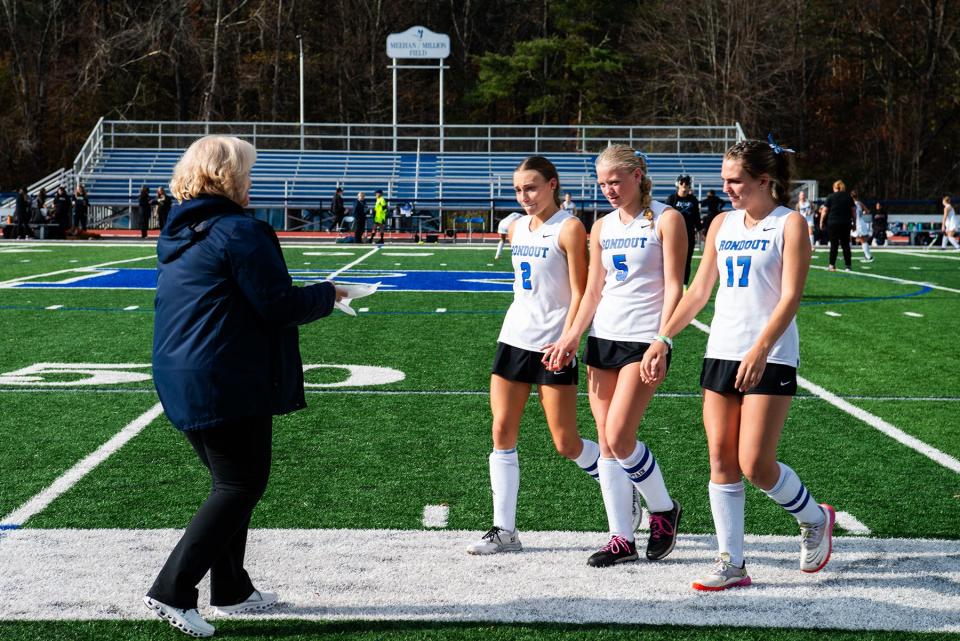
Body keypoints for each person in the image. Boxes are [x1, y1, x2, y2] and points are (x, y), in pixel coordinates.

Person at [144, 135, 345, 638]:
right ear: (227, 176)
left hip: (185, 370)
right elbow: (276, 306)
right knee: (240, 485)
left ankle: (231, 588)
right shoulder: (239, 230)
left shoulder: (184, 229)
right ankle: (172, 588)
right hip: (224, 373)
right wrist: (328, 294)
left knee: (233, 484)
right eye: (247, 172)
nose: (252, 181)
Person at [641, 137, 835, 591]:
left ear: (764, 181)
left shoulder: (791, 225)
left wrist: (761, 347)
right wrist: (663, 337)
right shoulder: (723, 223)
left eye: (736, 181)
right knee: (720, 459)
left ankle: (813, 518)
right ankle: (731, 563)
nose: (727, 188)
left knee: (756, 463)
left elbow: (790, 297)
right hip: (721, 352)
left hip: (770, 354)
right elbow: (698, 291)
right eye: (725, 180)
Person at [542, 145, 685, 566]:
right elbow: (592, 291)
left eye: (616, 181)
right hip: (603, 339)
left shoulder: (667, 219)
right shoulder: (601, 226)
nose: (608, 189)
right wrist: (571, 338)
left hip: (644, 341)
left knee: (621, 436)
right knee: (606, 444)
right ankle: (621, 538)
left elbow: (676, 286)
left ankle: (663, 508)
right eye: (602, 183)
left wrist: (665, 339)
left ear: (639, 174)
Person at [466, 156, 602, 555]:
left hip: (553, 345)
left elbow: (581, 290)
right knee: (501, 430)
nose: (524, 196)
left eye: (531, 188)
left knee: (565, 442)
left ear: (552, 185)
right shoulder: (517, 227)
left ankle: (618, 483)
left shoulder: (571, 227)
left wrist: (569, 340)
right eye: (518, 190)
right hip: (514, 338)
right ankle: (504, 530)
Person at [665, 174, 701, 285]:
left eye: (687, 183)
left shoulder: (693, 200)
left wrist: (701, 231)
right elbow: (665, 217)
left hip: (689, 234)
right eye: (682, 182)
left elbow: (696, 217)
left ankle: (684, 286)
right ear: (678, 184)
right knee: (671, 260)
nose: (684, 185)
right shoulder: (672, 199)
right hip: (673, 235)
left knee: (687, 261)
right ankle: (671, 285)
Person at [821, 180, 855, 271]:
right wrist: (854, 223)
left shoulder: (830, 197)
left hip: (833, 223)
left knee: (834, 245)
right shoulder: (848, 196)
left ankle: (832, 265)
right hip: (845, 223)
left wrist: (821, 222)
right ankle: (848, 266)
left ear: (834, 187)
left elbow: (824, 211)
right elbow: (853, 211)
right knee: (845, 245)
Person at [850, 190, 873, 262]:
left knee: (862, 239)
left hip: (856, 222)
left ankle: (868, 256)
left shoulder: (852, 203)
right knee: (862, 239)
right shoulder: (860, 203)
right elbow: (867, 211)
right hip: (861, 221)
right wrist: (862, 212)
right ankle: (867, 255)